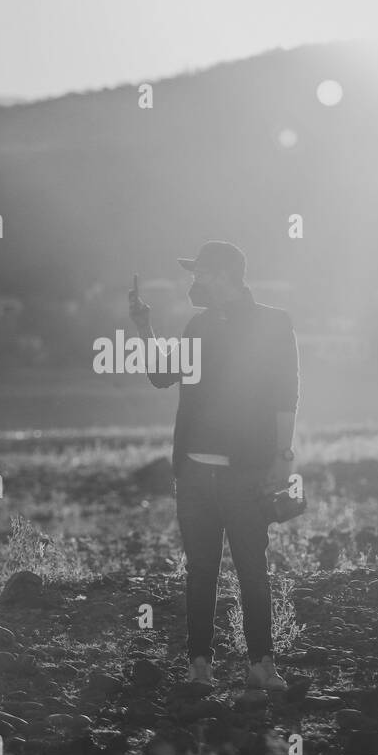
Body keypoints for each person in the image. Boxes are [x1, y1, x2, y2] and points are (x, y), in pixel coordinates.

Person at [128, 240, 299, 692]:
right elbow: (162, 375)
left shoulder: (273, 324)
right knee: (200, 573)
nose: (194, 283)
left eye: (200, 274)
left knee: (251, 571)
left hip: (246, 473)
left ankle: (263, 665)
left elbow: (286, 395)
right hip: (194, 475)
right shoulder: (197, 327)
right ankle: (199, 667)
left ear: (223, 276)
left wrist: (283, 457)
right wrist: (144, 328)